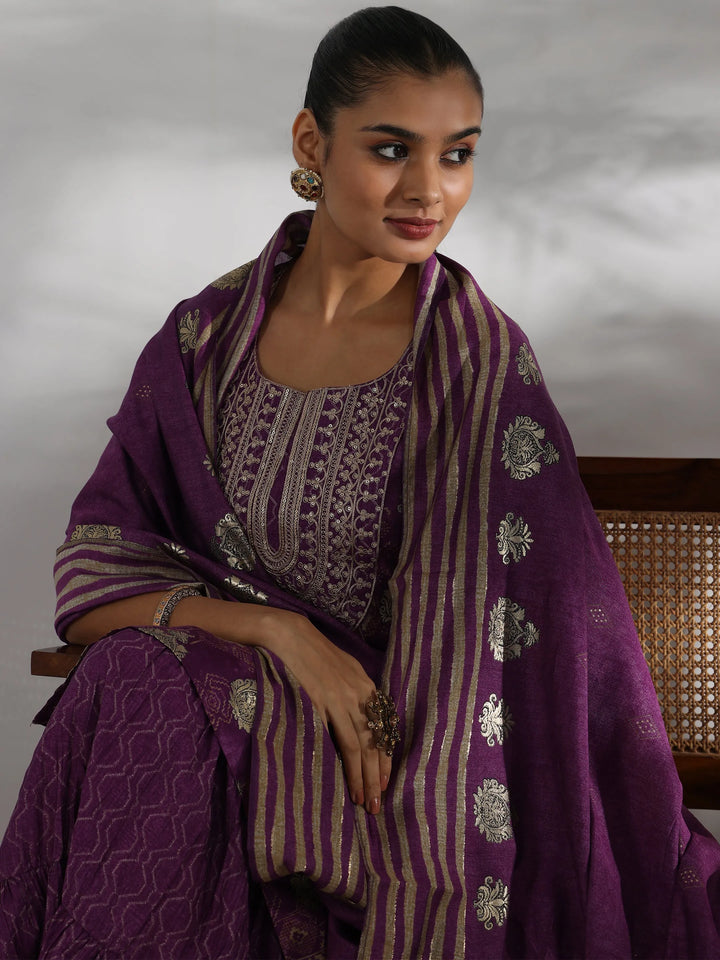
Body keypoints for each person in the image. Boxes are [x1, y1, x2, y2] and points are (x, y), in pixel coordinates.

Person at [1, 6, 719, 958]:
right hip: (221, 725)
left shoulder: (475, 367)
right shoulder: (203, 343)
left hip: (396, 766)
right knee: (139, 678)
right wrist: (282, 634)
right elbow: (98, 579)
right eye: (391, 149)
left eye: (457, 154)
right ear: (312, 143)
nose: (429, 189)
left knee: (148, 692)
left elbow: (514, 647)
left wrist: (337, 693)